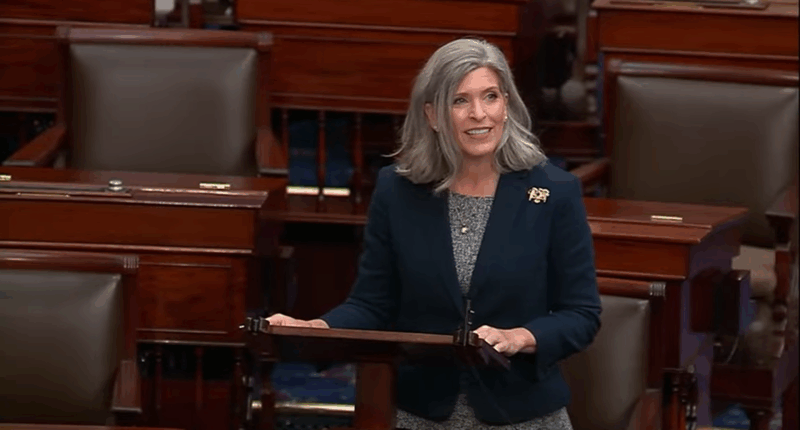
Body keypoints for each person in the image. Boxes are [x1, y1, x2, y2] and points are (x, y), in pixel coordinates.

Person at [267, 37, 602, 430]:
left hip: (523, 414)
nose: (479, 114)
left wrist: (521, 336)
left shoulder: (554, 191)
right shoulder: (397, 190)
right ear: (433, 115)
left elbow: (581, 314)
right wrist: (319, 328)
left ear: (507, 104)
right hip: (420, 413)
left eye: (491, 96)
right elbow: (373, 304)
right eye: (460, 101)